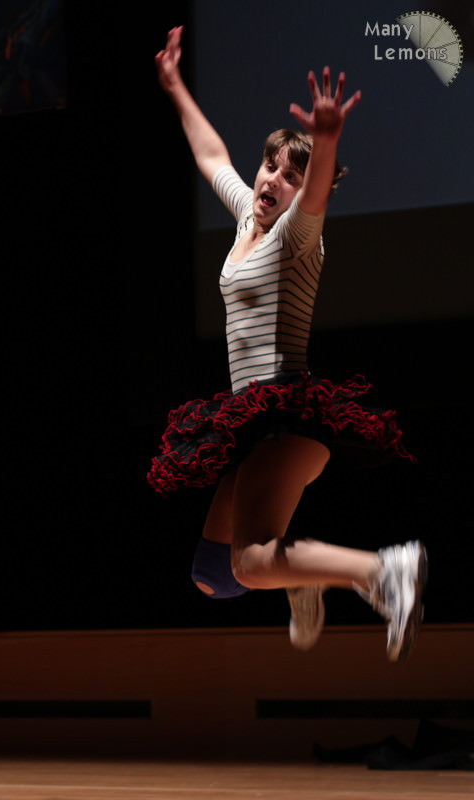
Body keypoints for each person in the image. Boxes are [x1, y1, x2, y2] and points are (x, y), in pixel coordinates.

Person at [148, 27, 425, 661]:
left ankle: (384, 570)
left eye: (289, 175)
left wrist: (324, 142)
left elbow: (318, 194)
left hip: (285, 416)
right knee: (214, 574)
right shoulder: (249, 219)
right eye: (271, 165)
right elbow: (211, 155)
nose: (273, 178)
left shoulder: (295, 238)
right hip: (252, 422)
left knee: (249, 562)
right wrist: (174, 85)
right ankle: (302, 581)